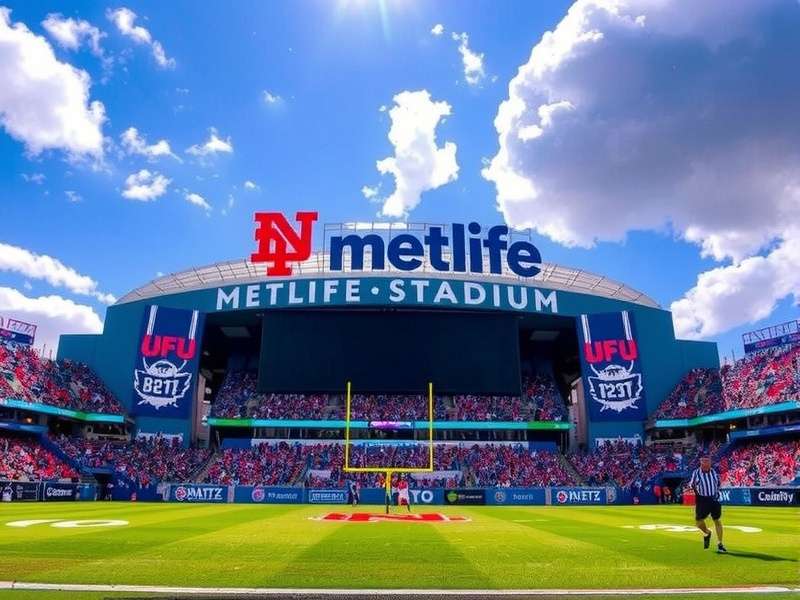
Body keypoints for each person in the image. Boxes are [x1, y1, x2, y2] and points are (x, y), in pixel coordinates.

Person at [688, 455, 726, 553]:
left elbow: (718, 483)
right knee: (698, 522)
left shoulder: (714, 472)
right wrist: (696, 494)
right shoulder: (696, 473)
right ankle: (707, 533)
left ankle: (720, 544)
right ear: (700, 462)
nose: (705, 463)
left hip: (713, 499)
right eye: (703, 461)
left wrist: (716, 493)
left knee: (717, 520)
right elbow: (691, 484)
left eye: (707, 461)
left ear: (710, 462)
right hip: (702, 500)